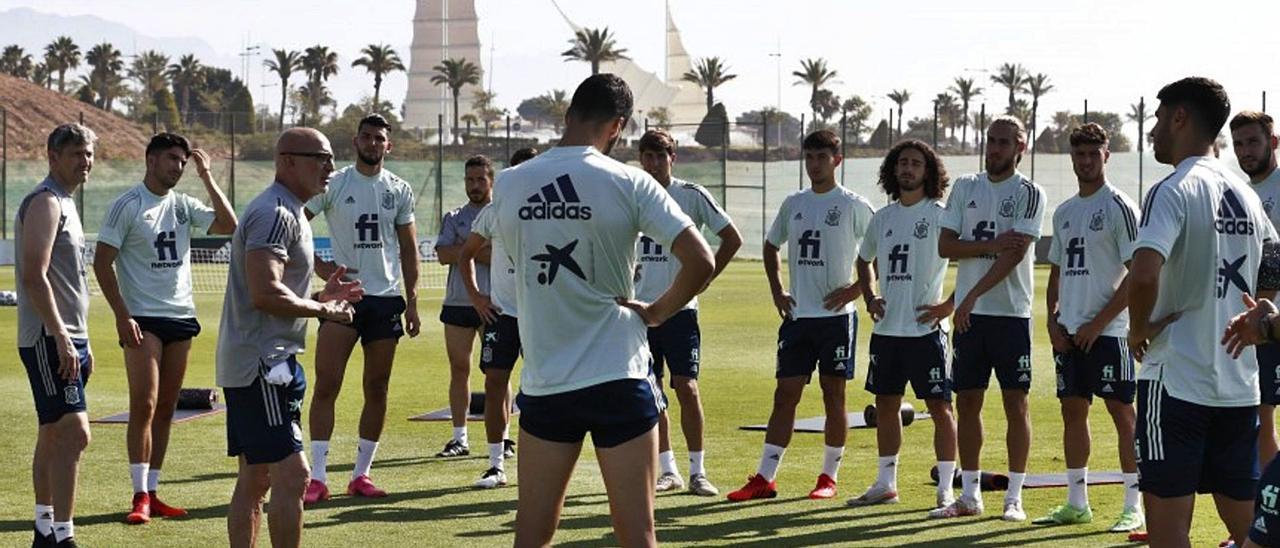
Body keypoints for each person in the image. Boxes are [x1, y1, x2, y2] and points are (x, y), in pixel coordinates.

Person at [489, 73, 713, 547]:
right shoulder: (631, 181)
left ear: (568, 116)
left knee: (531, 533)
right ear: (619, 126)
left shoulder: (508, 184)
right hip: (619, 375)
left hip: (547, 380)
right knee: (637, 535)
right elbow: (702, 260)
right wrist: (656, 312)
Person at [1129, 76, 1274, 547]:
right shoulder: (1248, 195)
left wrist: (1136, 330)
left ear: (1180, 118)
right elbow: (1274, 264)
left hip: (1175, 382)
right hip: (1236, 386)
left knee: (1168, 536)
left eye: (1156, 117)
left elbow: (1145, 272)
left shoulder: (1172, 189)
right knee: (1251, 534)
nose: (1151, 130)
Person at [216, 128, 362, 548]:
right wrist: (324, 309)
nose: (330, 169)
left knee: (256, 476)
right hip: (262, 365)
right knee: (293, 475)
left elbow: (278, 293)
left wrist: (318, 295)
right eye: (321, 158)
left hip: (272, 362)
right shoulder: (275, 212)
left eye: (332, 159)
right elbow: (265, 292)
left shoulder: (293, 211)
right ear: (287, 161)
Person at [94, 133, 237, 524]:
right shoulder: (127, 205)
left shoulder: (184, 205)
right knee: (144, 402)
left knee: (167, 409)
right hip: (142, 318)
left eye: (182, 161)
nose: (178, 166)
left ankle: (153, 491)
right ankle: (139, 495)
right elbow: (102, 263)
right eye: (172, 159)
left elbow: (229, 224)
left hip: (180, 317)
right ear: (151, 160)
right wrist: (122, 315)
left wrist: (207, 176)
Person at [727, 129, 875, 502]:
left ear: (836, 161)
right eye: (808, 157)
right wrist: (778, 290)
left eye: (821, 157)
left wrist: (857, 290)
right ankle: (765, 478)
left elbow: (881, 248)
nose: (813, 164)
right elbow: (771, 245)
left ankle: (828, 477)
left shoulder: (852, 204)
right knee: (784, 395)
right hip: (798, 318)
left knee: (833, 397)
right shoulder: (794, 203)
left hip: (837, 319)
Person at [932, 116, 1046, 521]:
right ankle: (970, 495)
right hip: (969, 318)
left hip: (1009, 315)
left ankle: (1014, 497)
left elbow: (1015, 255)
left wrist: (971, 294)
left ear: (1021, 146)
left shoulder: (1030, 193)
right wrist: (993, 243)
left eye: (1003, 142)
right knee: (967, 403)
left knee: (1016, 404)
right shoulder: (965, 187)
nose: (994, 148)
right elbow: (946, 246)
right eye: (991, 141)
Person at [301, 114, 420, 504]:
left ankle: (361, 474)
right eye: (366, 137)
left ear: (389, 146)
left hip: (385, 298)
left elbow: (408, 249)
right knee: (327, 384)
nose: (372, 143)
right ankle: (317, 477)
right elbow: (296, 222)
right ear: (355, 141)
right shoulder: (334, 184)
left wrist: (413, 300)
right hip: (343, 297)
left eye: (379, 138)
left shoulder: (399, 189)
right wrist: (318, 267)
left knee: (377, 386)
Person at [1032, 123, 1143, 531]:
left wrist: (1098, 322)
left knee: (1121, 413)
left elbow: (1138, 276)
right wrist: (1052, 322)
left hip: (1110, 333)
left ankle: (1135, 504)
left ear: (1106, 156)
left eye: (1092, 155)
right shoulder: (1063, 212)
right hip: (1070, 332)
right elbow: (1055, 274)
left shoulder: (1119, 207)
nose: (1085, 162)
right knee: (1072, 412)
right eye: (1079, 155)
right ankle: (1077, 502)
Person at [846, 139, 958, 509]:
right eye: (902, 163)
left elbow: (975, 264)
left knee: (941, 408)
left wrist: (948, 305)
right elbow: (864, 261)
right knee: (886, 405)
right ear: (893, 170)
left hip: (926, 332)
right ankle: (886, 483)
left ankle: (945, 487)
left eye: (916, 164)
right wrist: (869, 296)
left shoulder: (942, 214)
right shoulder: (883, 217)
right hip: (887, 332)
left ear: (929, 172)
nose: (908, 169)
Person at [632, 128, 742, 497]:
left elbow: (731, 237)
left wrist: (705, 279)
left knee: (688, 389)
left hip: (680, 311)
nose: (653, 163)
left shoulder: (690, 195)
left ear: (672, 159)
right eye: (647, 156)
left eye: (660, 156)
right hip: (641, 312)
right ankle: (669, 470)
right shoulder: (630, 194)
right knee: (653, 391)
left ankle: (698, 471)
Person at [18, 124, 97, 548]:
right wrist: (62, 337)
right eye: (77, 154)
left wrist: (80, 341)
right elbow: (34, 274)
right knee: (75, 431)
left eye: (88, 154)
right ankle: (63, 535)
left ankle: (45, 529)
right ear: (53, 156)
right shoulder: (46, 202)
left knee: (52, 430)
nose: (85, 161)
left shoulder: (67, 202)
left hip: (68, 337)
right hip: (49, 337)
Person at [457, 147, 539, 489]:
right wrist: (477, 297)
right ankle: (495, 465)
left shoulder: (553, 212)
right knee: (494, 385)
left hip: (541, 317)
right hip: (503, 316)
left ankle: (542, 464)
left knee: (545, 390)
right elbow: (466, 255)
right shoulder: (495, 212)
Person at [433, 155, 494, 458]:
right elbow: (443, 254)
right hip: (458, 302)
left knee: (497, 372)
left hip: (493, 303)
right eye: (470, 179)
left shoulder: (501, 215)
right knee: (460, 369)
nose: (475, 185)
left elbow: (501, 257)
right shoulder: (454, 216)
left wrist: (466, 251)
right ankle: (460, 438)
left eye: (480, 179)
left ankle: (502, 438)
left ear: (491, 180)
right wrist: (474, 251)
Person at [1231, 110, 1280, 469]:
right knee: (1259, 419)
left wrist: (1265, 312)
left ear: (1273, 143)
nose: (1245, 151)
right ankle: (1267, 513)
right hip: (1256, 325)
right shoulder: (1240, 195)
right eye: (1238, 144)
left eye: (1252, 142)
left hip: (1271, 321)